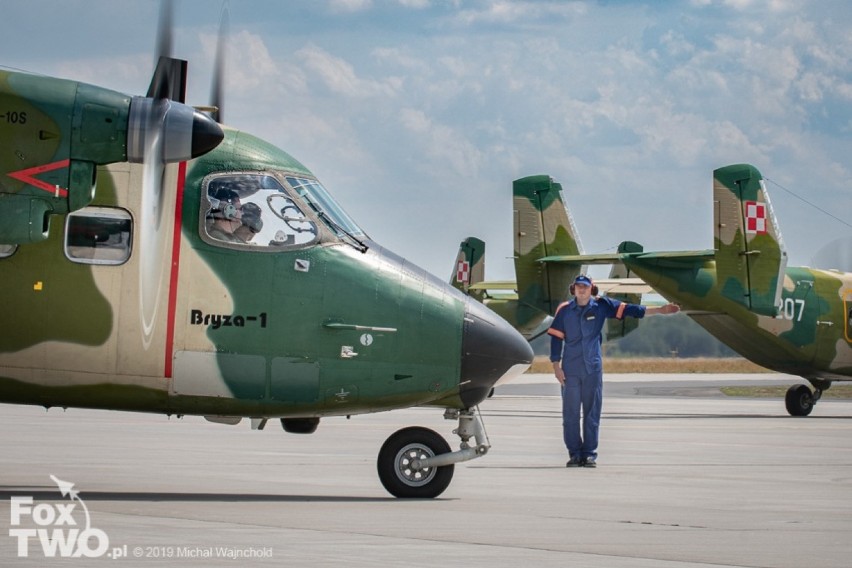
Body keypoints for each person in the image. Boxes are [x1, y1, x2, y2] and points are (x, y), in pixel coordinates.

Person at [548, 274, 680, 468]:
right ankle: (575, 454)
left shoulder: (602, 306)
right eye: (578, 287)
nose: (581, 290)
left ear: (591, 288)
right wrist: (556, 367)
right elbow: (556, 339)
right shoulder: (564, 310)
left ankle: (590, 454)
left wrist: (660, 310)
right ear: (573, 289)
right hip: (570, 371)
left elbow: (630, 310)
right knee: (570, 415)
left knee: (592, 413)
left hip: (592, 369)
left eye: (585, 287)